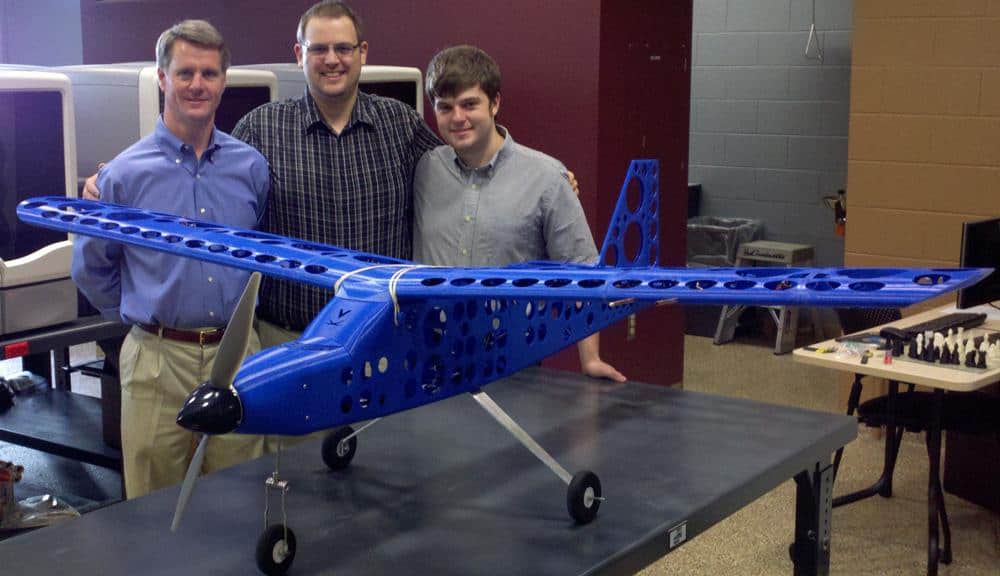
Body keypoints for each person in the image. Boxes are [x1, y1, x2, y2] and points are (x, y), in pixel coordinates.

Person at [72, 20, 270, 498]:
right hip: (158, 359)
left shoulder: (251, 167)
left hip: (237, 355)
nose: (197, 85)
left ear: (224, 80)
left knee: (238, 495)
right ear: (162, 78)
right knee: (152, 502)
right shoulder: (122, 175)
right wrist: (142, 317)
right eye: (184, 73)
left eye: (208, 73)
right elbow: (91, 266)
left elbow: (259, 245)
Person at [230, 0, 441, 348]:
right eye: (319, 49)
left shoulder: (400, 122)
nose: (332, 60)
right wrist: (113, 180)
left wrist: (551, 178)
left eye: (343, 48)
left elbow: (461, 172)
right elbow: (210, 186)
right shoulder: (260, 128)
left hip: (383, 335)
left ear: (362, 52)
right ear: (299, 54)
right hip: (287, 340)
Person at [413, 45, 625, 382]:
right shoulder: (424, 168)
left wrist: (591, 359)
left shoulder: (546, 177)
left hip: (512, 359)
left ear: (495, 103)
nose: (457, 118)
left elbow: (583, 271)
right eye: (445, 107)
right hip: (428, 359)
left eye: (470, 104)